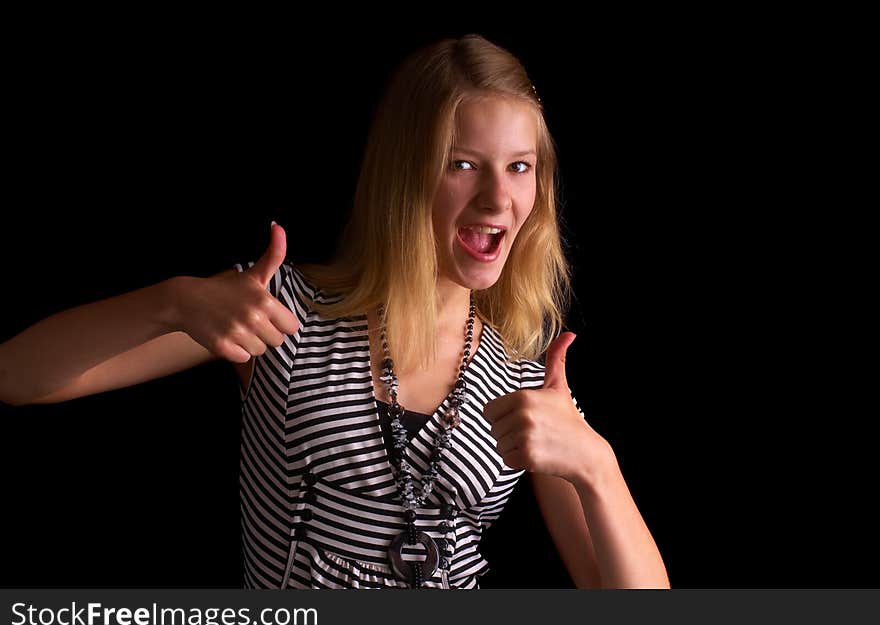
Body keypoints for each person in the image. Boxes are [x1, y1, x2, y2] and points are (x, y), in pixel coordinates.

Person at [0, 34, 669, 589]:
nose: (498, 198)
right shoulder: (282, 315)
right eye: (463, 164)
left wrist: (597, 465)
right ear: (404, 173)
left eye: (519, 167)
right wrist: (173, 302)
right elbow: (17, 374)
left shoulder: (524, 377)